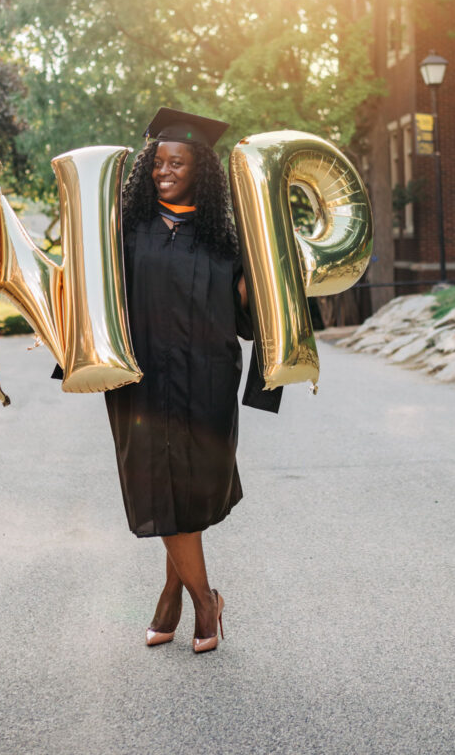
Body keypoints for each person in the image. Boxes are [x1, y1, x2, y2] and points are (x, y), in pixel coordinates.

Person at [103, 107, 281, 654]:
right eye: (157, 163)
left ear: (198, 167)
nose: (164, 171)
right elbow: (97, 302)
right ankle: (206, 599)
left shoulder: (226, 240)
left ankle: (169, 593)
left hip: (206, 379)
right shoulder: (126, 231)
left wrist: (251, 295)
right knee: (159, 482)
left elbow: (253, 323)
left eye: (177, 162)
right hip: (143, 381)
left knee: (192, 485)